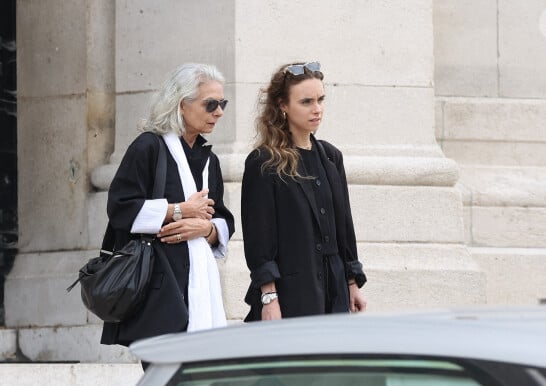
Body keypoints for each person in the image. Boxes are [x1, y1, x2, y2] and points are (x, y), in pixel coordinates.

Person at [100, 63, 235, 348]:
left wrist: (206, 229)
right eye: (210, 104)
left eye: (222, 103)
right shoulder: (148, 148)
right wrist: (177, 210)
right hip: (157, 290)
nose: (219, 112)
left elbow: (223, 220)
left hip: (200, 289)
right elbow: (120, 208)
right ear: (181, 104)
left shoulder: (209, 160)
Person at [241, 61, 367, 321]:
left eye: (321, 99)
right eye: (306, 102)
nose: (317, 109)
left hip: (334, 291)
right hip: (292, 294)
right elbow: (259, 240)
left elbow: (344, 227)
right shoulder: (264, 162)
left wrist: (352, 282)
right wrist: (269, 298)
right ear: (282, 105)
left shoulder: (331, 158)